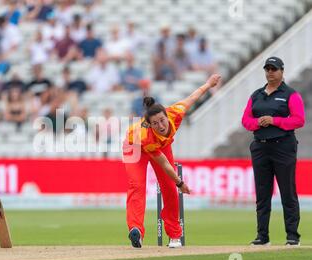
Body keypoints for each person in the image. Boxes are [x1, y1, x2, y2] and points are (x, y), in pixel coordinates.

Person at [123, 74, 221, 248]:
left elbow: (193, 96)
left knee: (168, 188)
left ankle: (174, 235)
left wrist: (208, 84)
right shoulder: (148, 136)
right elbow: (164, 164)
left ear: (166, 115)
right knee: (137, 185)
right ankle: (136, 229)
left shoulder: (176, 112)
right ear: (150, 125)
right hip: (135, 146)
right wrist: (180, 182)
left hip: (162, 144)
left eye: (162, 120)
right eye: (155, 123)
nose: (161, 125)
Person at [241, 57, 305, 246]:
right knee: (262, 193)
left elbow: (299, 119)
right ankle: (262, 236)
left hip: (283, 146)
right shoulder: (256, 95)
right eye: (267, 69)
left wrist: (274, 120)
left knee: (288, 192)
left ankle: (292, 236)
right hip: (260, 146)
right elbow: (246, 120)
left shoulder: (290, 94)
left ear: (282, 71)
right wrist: (258, 122)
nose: (270, 72)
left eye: (274, 69)